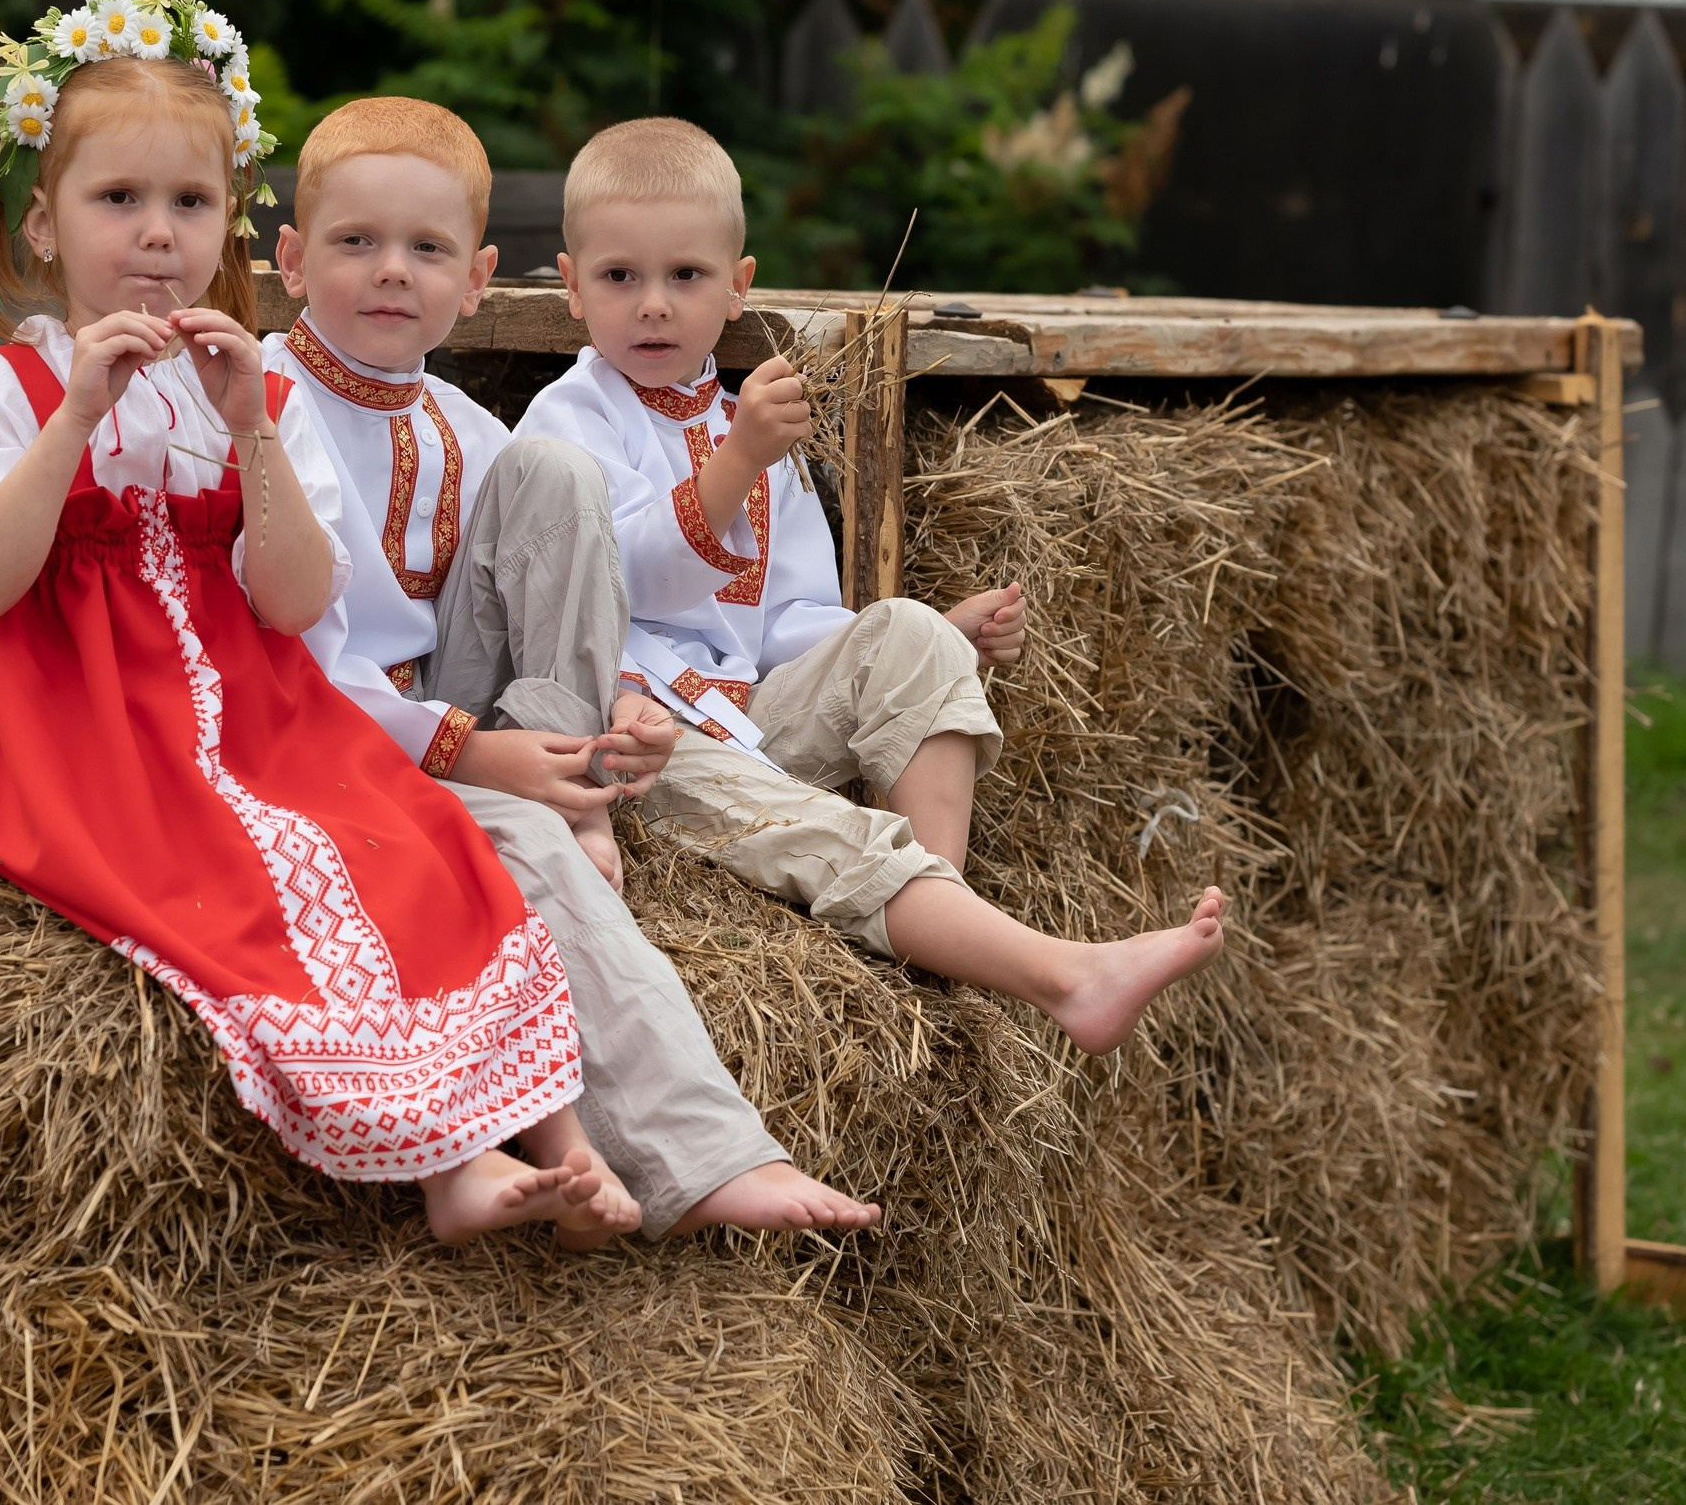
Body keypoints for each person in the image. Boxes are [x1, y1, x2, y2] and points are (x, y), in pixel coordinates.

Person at [0, 0, 634, 1248]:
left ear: (232, 229)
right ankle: (447, 1164)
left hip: (246, 703)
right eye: (116, 200)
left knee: (418, 839)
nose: (154, 233)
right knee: (254, 890)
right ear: (43, 226)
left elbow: (293, 600)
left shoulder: (234, 391)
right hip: (76, 718)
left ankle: (563, 1141)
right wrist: (73, 415)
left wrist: (251, 434)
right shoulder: (7, 381)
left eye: (189, 203)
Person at [266, 96, 881, 1238]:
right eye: (357, 243)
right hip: (333, 733)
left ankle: (578, 776)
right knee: (527, 844)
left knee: (555, 478)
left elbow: (575, 583)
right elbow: (289, 655)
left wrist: (622, 708)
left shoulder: (466, 423)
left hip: (459, 694)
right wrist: (476, 749)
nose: (392, 273)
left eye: (427, 250)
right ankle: (700, 1159)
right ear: (292, 261)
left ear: (478, 279)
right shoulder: (265, 404)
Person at [517, 116, 1227, 1058]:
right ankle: (1059, 972)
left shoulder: (748, 427)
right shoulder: (564, 424)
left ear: (739, 287)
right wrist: (736, 461)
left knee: (908, 634)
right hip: (643, 739)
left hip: (749, 712)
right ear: (571, 286)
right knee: (817, 826)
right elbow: (623, 577)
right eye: (619, 277)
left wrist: (940, 635)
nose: (652, 305)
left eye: (685, 275)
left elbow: (793, 623)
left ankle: (943, 932)